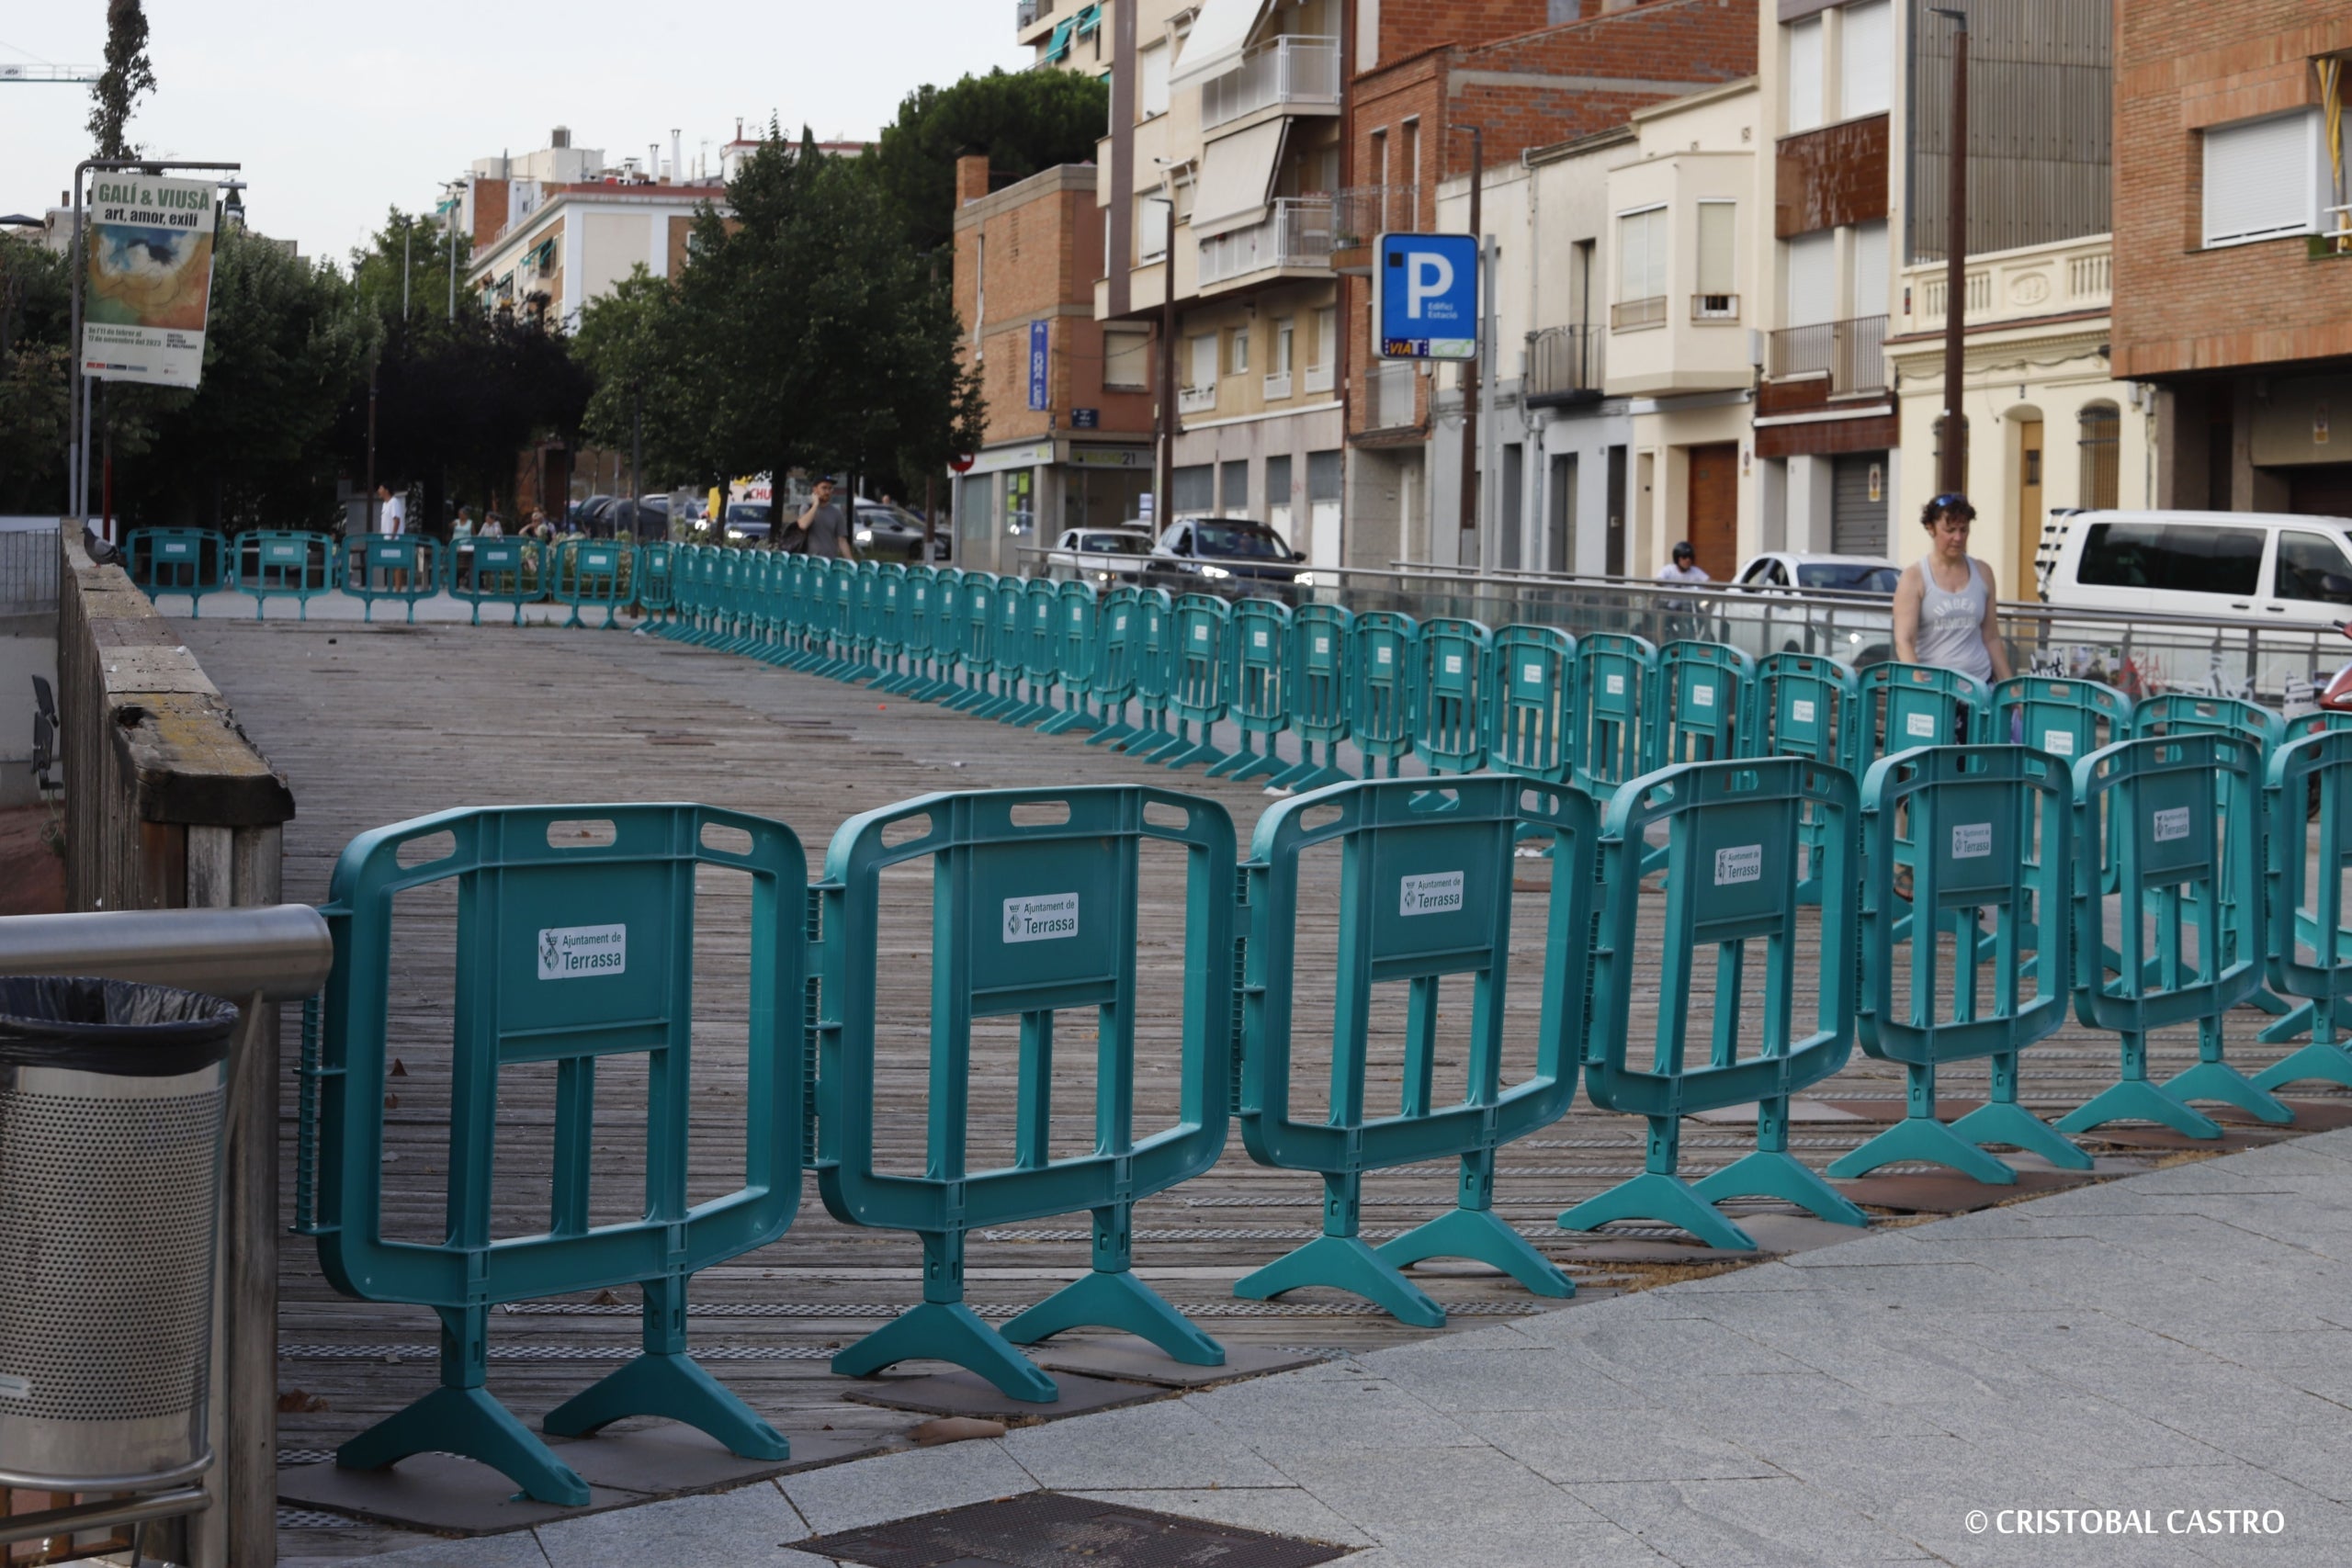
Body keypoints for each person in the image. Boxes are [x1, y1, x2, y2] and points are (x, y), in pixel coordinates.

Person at [1893, 491, 2012, 685]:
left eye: (1964, 530)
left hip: (1980, 687)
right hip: (1935, 690)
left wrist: (2011, 690)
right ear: (1931, 528)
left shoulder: (1983, 572)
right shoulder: (1914, 577)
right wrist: (1920, 687)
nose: (1958, 538)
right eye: (1950, 530)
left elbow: (1991, 638)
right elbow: (1904, 641)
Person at [1655, 540, 1711, 641]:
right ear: (1677, 559)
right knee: (1662, 621)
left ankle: (1697, 640)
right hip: (1668, 605)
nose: (1688, 560)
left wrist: (1720, 587)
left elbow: (1708, 582)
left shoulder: (1695, 571)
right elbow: (1659, 580)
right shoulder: (1668, 570)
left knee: (1703, 616)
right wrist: (1664, 582)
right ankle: (1662, 644)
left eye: (1690, 557)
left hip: (1688, 606)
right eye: (1684, 557)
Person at [797, 478, 854, 560]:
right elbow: (803, 525)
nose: (827, 492)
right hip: (809, 562)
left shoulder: (836, 513)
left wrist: (851, 563)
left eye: (830, 488)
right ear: (815, 490)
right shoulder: (806, 508)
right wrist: (815, 505)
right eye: (824, 488)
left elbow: (842, 541)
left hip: (829, 563)